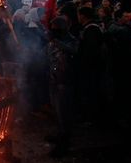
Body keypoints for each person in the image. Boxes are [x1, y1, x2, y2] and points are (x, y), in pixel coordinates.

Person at [46, 16, 78, 157]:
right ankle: (59, 135)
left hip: (65, 82)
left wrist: (56, 42)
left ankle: (64, 145)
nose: (52, 30)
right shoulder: (53, 41)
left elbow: (74, 51)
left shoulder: (71, 40)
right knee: (57, 112)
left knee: (64, 114)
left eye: (55, 27)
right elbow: (48, 55)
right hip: (54, 80)